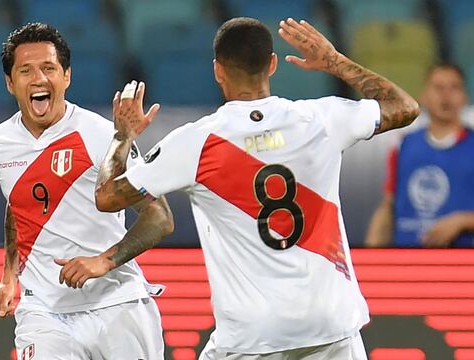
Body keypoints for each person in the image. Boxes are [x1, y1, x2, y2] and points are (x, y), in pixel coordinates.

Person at [59, 17, 420, 359]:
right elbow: (404, 107)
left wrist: (123, 135)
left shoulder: (196, 142)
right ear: (273, 64)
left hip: (254, 332)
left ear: (217, 70)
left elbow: (107, 197)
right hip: (332, 321)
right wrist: (334, 61)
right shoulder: (320, 120)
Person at [0, 22, 173, 360]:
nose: (39, 79)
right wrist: (8, 276)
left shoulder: (102, 136)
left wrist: (104, 261)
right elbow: (19, 204)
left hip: (118, 304)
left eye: (49, 68)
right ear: (10, 83)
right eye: (25, 70)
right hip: (44, 311)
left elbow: (159, 217)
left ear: (66, 76)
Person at [366, 64, 474, 248]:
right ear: (423, 96)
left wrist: (462, 221)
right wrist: (369, 254)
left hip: (462, 264)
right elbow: (389, 204)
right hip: (408, 261)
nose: (446, 96)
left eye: (454, 88)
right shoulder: (403, 145)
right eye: (439, 88)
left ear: (464, 97)